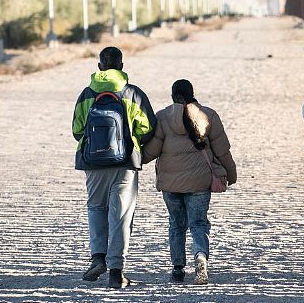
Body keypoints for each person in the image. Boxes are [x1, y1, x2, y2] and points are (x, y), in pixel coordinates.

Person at [72, 46, 156, 288]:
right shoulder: (132, 93)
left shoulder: (86, 94)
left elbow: (77, 129)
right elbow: (148, 127)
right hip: (125, 163)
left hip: (92, 163)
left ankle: (97, 258)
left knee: (96, 209)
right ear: (121, 66)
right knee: (120, 215)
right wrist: (130, 143)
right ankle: (116, 272)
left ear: (99, 67)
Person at [143, 79, 237, 285]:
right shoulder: (208, 116)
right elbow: (222, 151)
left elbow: (151, 151)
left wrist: (132, 160)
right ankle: (201, 256)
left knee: (176, 225)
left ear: (175, 97)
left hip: (170, 183)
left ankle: (178, 269)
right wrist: (231, 174)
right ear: (192, 93)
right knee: (198, 223)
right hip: (199, 182)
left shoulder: (162, 117)